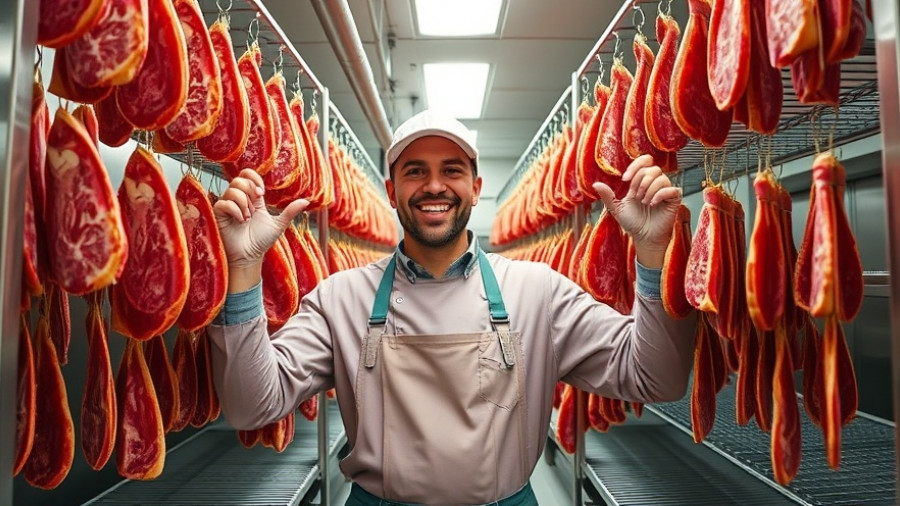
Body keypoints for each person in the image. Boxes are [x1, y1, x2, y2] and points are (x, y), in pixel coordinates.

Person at [209, 109, 698, 506]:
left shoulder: (538, 291)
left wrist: (652, 256)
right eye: (415, 171)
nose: (434, 186)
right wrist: (244, 269)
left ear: (476, 188)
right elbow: (252, 407)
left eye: (452, 170)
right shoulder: (340, 298)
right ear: (391, 191)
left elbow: (656, 380)